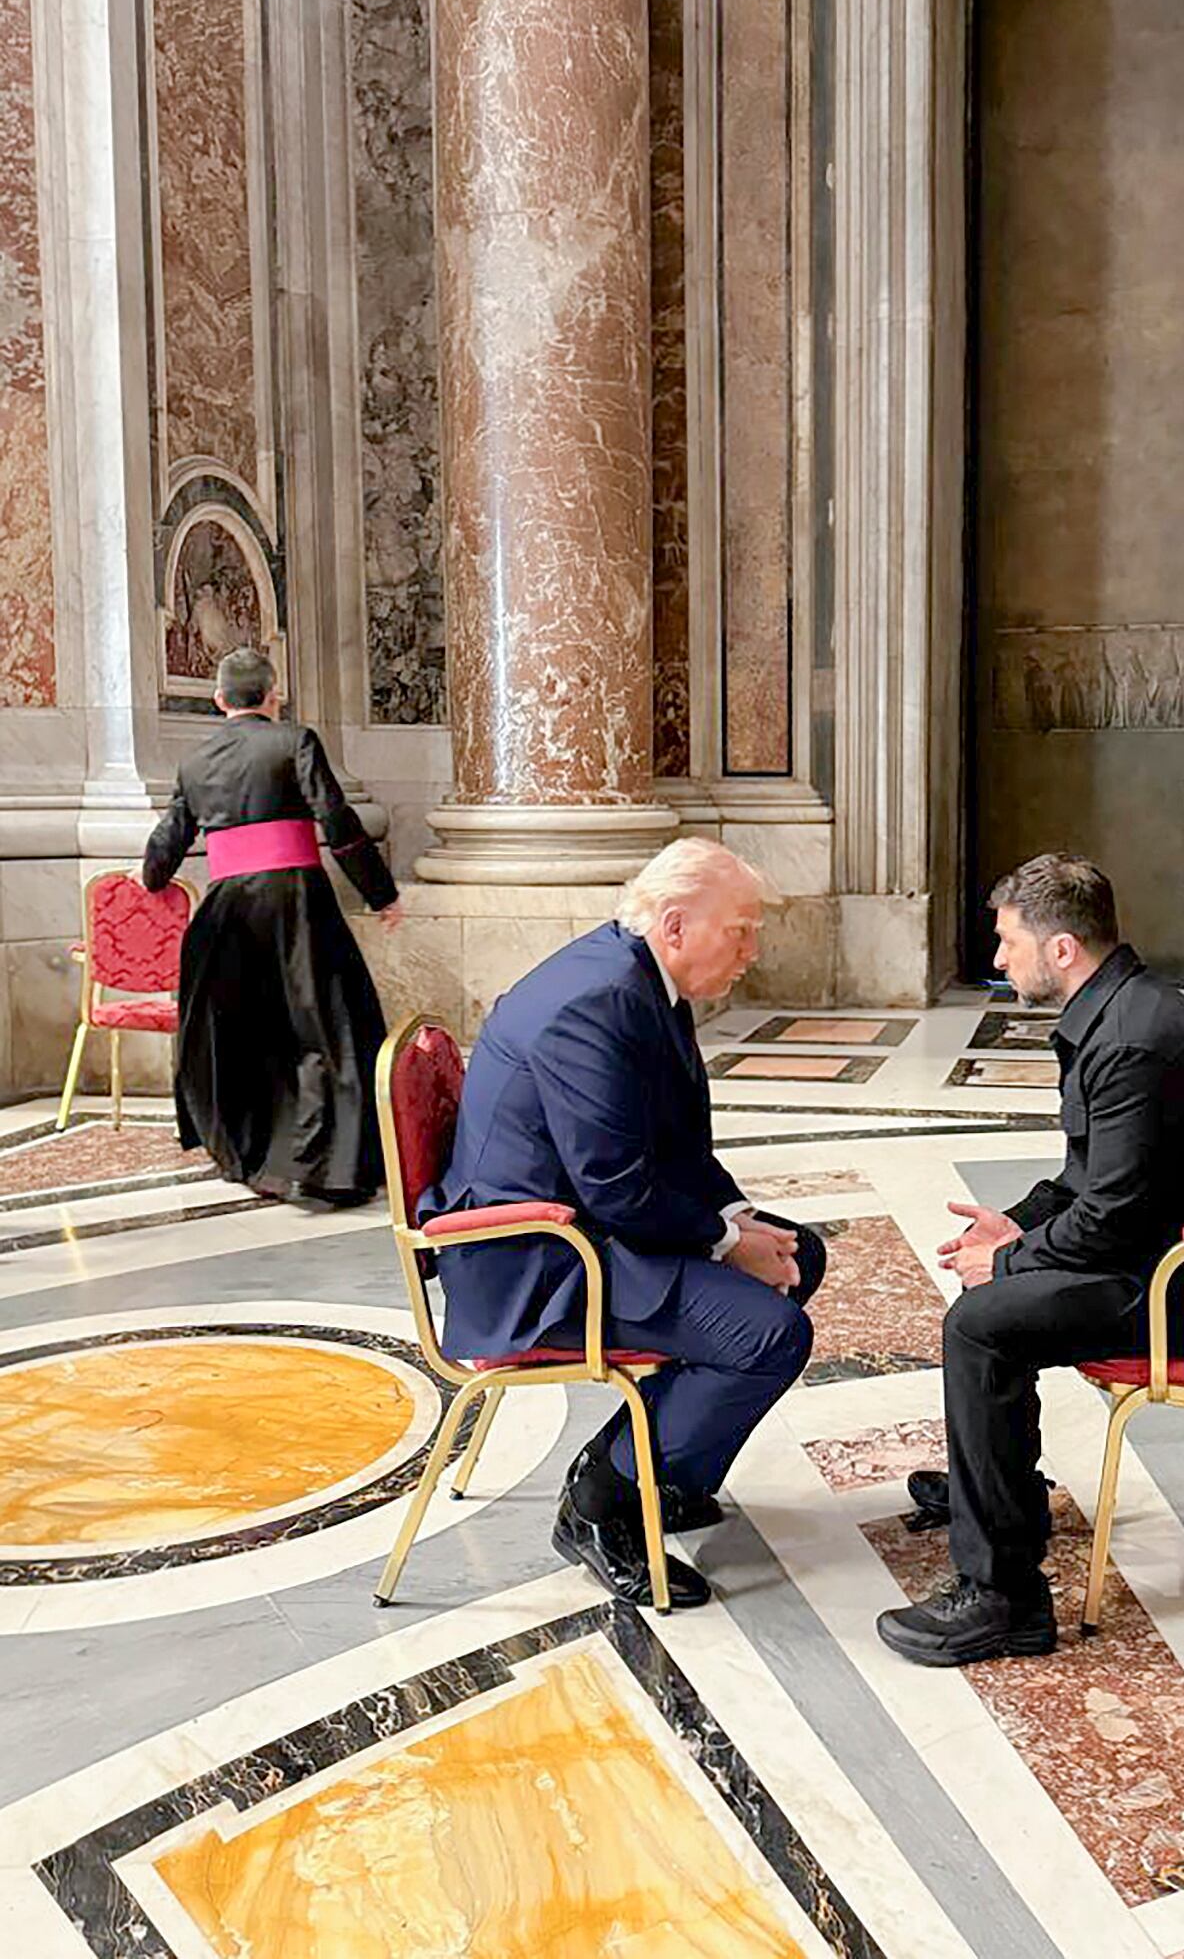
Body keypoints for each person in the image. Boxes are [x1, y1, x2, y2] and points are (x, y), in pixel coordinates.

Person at [876, 853, 1184, 1668]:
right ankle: (1000, 1499)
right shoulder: (1118, 1014)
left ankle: (1004, 1599)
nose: (999, 959)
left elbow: (1112, 1214)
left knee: (982, 1325)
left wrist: (1011, 1262)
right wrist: (1016, 1226)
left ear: (1060, 949)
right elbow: (1088, 1181)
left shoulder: (1131, 1041)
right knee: (990, 1312)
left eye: (1008, 942)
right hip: (1165, 1255)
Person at [421, 836, 825, 1609]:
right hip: (536, 1258)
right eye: (740, 931)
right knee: (768, 1337)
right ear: (674, 925)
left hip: (585, 1223)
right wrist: (727, 1243)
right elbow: (615, 1185)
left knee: (799, 1256)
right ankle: (601, 1501)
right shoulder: (597, 1002)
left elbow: (668, 1144)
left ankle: (666, 1468)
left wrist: (736, 1218)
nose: (752, 950)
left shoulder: (637, 977)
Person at [142, 647, 401, 1206]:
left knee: (245, 1034)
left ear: (219, 700)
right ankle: (330, 1166)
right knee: (327, 1027)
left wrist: (152, 880)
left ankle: (255, 1157)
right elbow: (336, 819)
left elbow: (168, 839)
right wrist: (380, 892)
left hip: (227, 909)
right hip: (297, 901)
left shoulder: (194, 761)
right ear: (273, 694)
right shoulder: (295, 741)